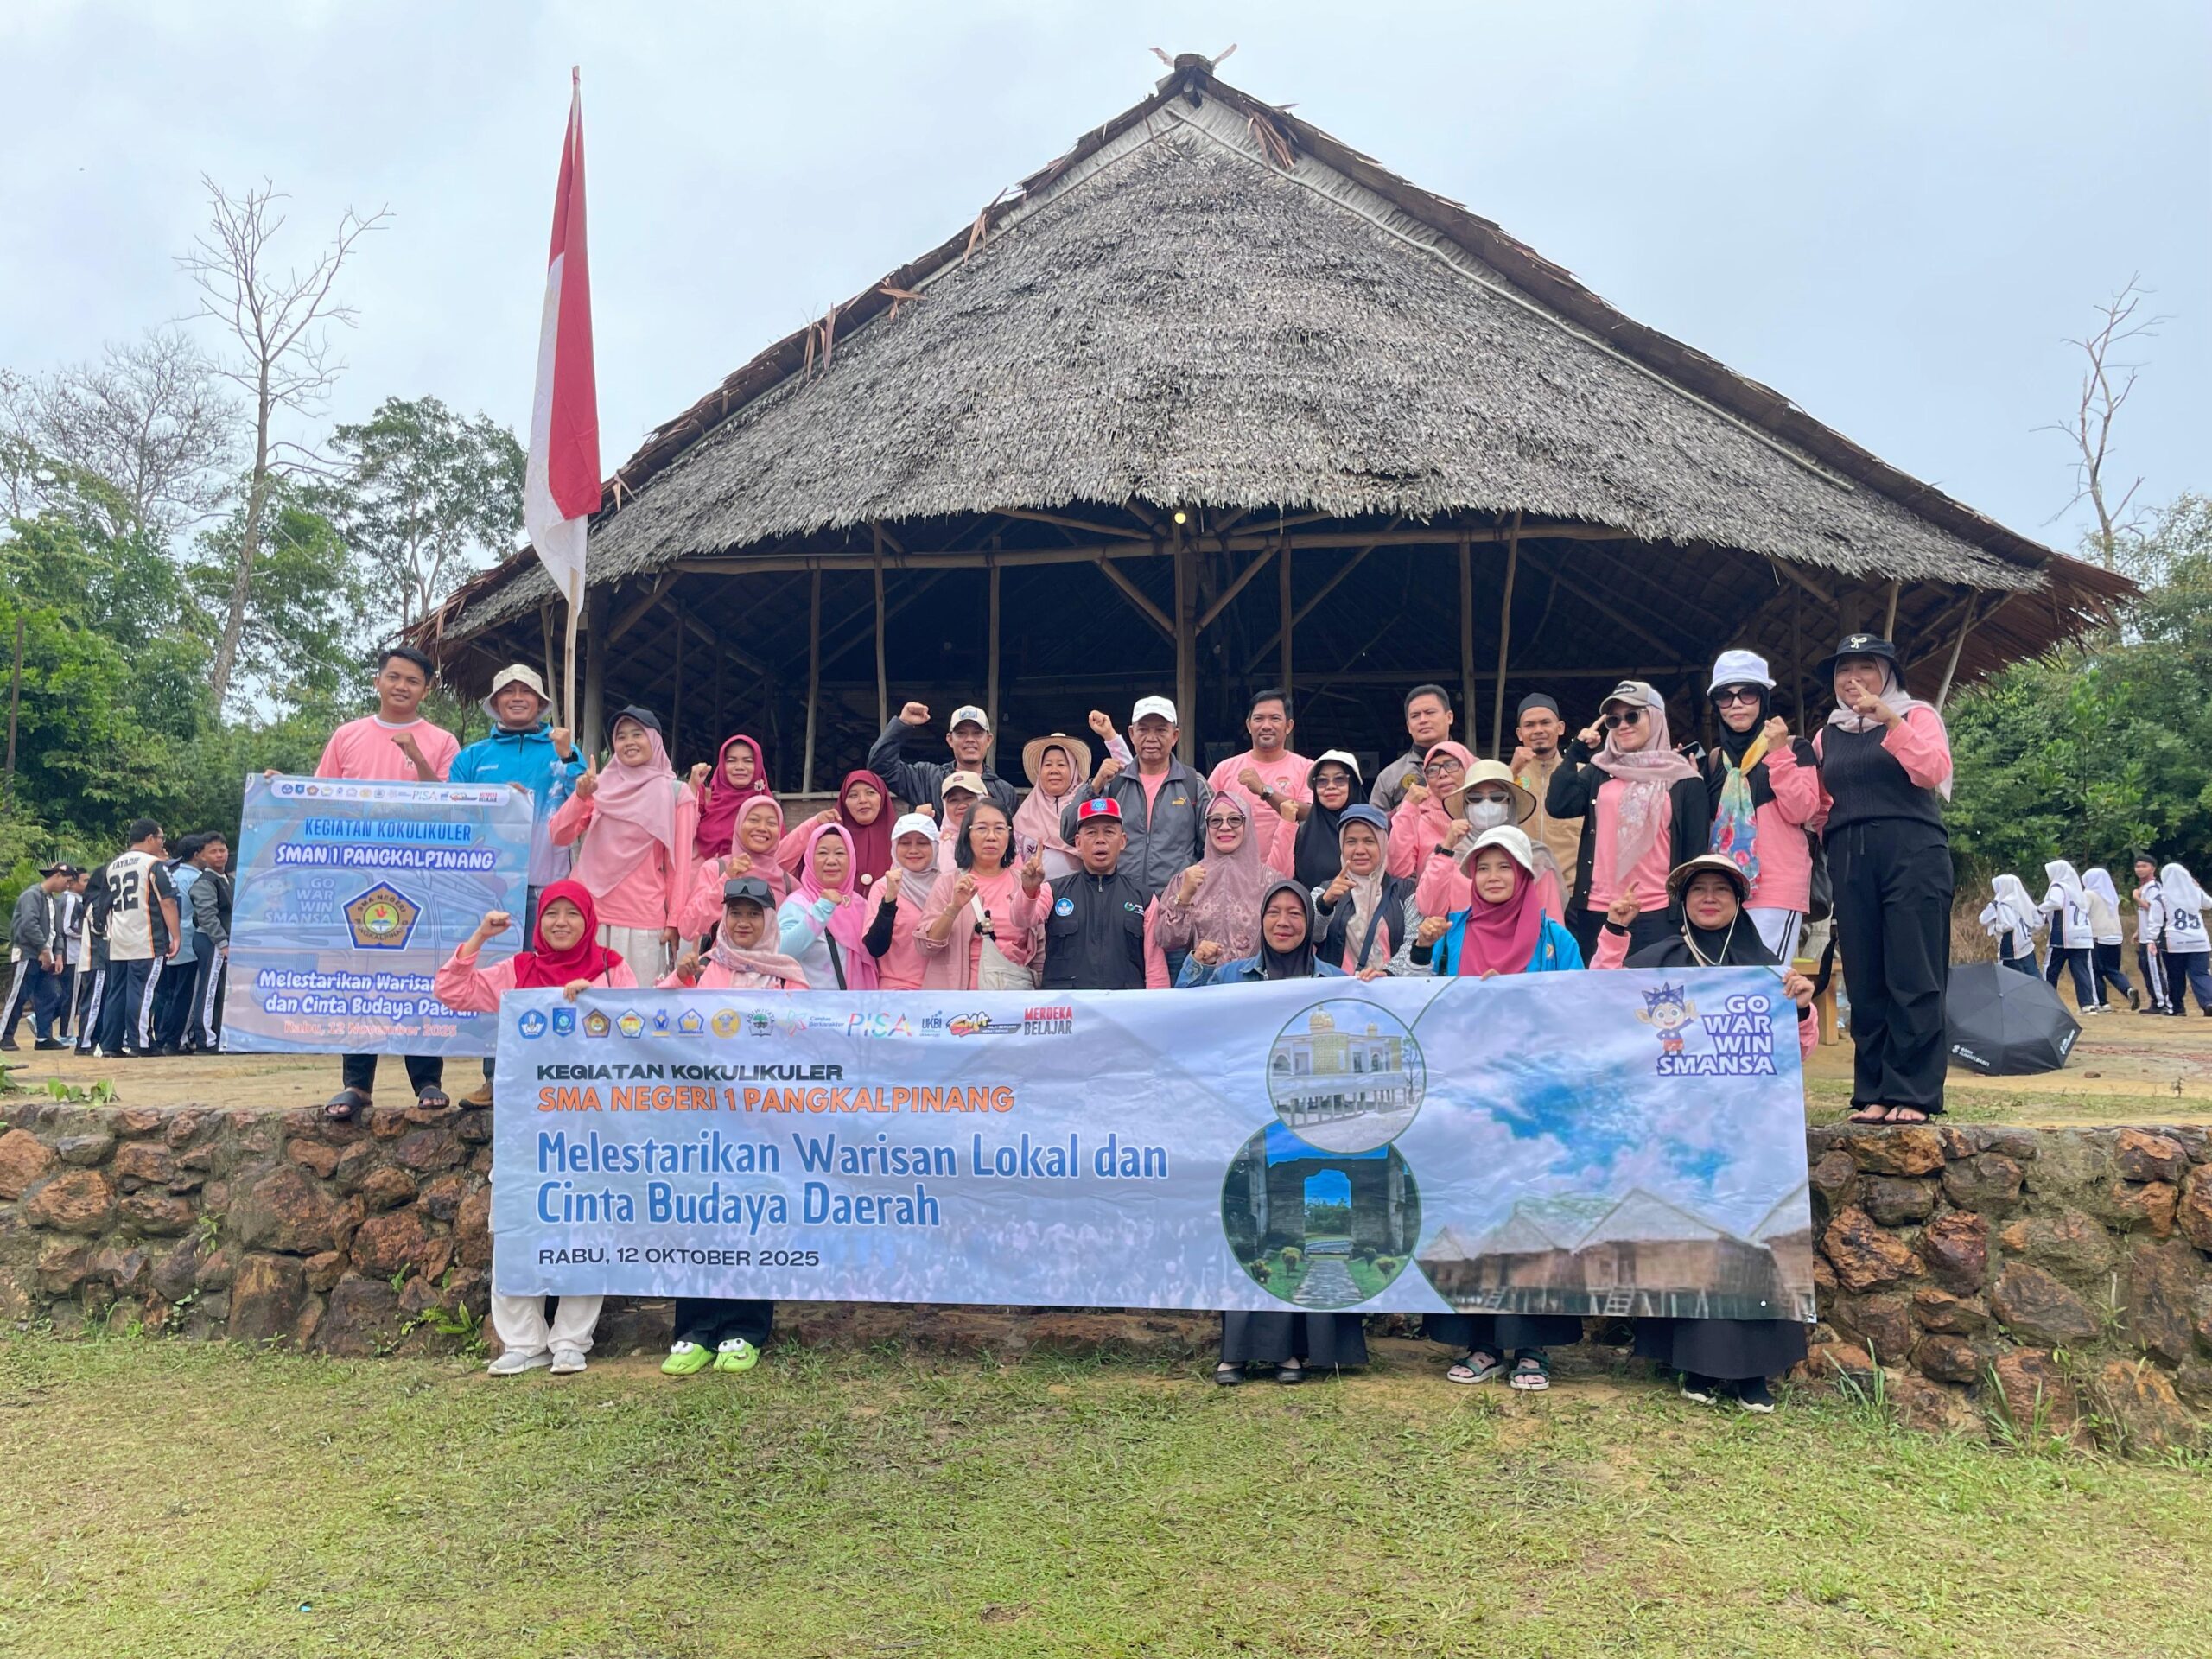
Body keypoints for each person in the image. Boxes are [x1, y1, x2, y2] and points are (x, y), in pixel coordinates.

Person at [1590, 855, 1816, 1410]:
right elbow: (1598, 1000)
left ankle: (1753, 1371)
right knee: (1692, 1243)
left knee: (1752, 1243)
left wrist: (1802, 1010)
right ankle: (1694, 1363)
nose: (1709, 898)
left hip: (1749, 1136)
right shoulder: (1659, 961)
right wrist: (1615, 930)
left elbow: (1798, 1051)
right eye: (1699, 890)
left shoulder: (1766, 970)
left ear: (1739, 903)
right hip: (1678, 1138)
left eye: (1721, 890)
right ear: (1683, 903)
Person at [434, 881, 636, 1376]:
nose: (561, 923)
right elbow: (451, 991)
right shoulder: (520, 970)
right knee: (517, 1219)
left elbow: (638, 1028)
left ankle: (571, 1339)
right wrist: (480, 937)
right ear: (539, 921)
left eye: (572, 913)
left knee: (588, 1222)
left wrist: (599, 1005)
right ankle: (523, 1340)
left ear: (589, 920)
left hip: (593, 1124)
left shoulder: (611, 969)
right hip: (527, 1124)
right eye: (551, 914)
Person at [1408, 826, 1585, 1389]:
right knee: (1475, 1215)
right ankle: (1480, 1342)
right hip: (1468, 1103)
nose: (1493, 877)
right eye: (1483, 867)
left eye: (1505, 866)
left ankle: (1531, 1345)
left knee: (1532, 1215)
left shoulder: (1556, 941)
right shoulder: (1450, 934)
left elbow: (1583, 1013)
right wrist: (1420, 951)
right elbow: (1418, 999)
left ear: (1526, 874)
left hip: (1535, 1105)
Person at [1185, 879, 1365, 1386]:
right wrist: (1195, 966)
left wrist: (1374, 988)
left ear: (1310, 924)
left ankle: (1296, 1352)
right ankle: (1237, 1352)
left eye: (1295, 913)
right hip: (1247, 1120)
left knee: (1301, 1227)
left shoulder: (1333, 980)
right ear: (1260, 920)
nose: (1283, 922)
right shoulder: (1231, 976)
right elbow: (1182, 1018)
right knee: (1250, 1228)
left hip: (1311, 1122)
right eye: (1274, 913)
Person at [1799, 635, 1954, 1125]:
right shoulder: (1827, 735)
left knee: (1913, 971)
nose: (1853, 679)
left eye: (1865, 667)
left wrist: (1890, 720)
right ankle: (1874, 1091)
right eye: (1843, 670)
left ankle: (1914, 1092)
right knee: (1865, 976)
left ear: (1887, 674)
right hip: (1850, 856)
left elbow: (1933, 772)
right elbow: (1821, 804)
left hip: (1913, 850)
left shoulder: (1916, 715)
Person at [658, 874, 804, 1382]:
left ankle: (744, 1328)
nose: (743, 922)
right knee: (700, 1218)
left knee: (755, 1220)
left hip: (762, 1126)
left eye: (753, 914)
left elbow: (804, 1046)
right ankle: (695, 1330)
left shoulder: (788, 979)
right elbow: (651, 1021)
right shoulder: (701, 969)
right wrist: (677, 981)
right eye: (735, 913)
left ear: (769, 921)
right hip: (702, 1122)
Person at [306, 645, 461, 1118]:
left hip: (420, 877)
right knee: (359, 976)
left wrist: (416, 757)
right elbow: (320, 797)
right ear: (378, 681)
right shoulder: (347, 735)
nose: (401, 686)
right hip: (357, 876)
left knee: (419, 975)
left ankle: (427, 1078)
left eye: (412, 680)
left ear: (425, 690)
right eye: (394, 677)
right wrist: (276, 789)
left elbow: (453, 808)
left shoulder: (442, 741)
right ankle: (357, 1083)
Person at [1546, 681, 1710, 957]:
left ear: (1655, 717)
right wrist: (1576, 751)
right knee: (1600, 985)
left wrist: (1689, 914)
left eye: (1632, 716)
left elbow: (1695, 856)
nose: (1623, 725)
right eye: (1614, 720)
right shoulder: (1598, 771)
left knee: (1657, 985)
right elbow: (1558, 804)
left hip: (1659, 912)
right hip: (1598, 909)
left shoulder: (1684, 780)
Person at [549, 706, 697, 987]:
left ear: (654, 739)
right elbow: (559, 835)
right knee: (582, 1003)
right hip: (587, 916)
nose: (629, 742)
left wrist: (675, 921)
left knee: (636, 1007)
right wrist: (580, 797)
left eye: (637, 734)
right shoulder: (599, 787)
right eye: (621, 736)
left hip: (641, 923)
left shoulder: (677, 794)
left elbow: (679, 867)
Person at [1702, 651, 1819, 963]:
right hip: (1724, 890)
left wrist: (1778, 754)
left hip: (1776, 890)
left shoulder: (1794, 747)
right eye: (1725, 696)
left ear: (1763, 699)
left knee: (1766, 979)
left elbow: (1803, 810)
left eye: (1747, 693)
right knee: (1727, 982)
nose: (1736, 704)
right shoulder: (1714, 761)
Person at [1064, 696, 1210, 903]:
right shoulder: (1113, 783)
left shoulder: (1193, 784)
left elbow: (1214, 846)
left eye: (1161, 730)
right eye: (1143, 730)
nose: (1151, 738)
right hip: (1118, 902)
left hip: (1177, 902)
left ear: (1175, 736)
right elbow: (1069, 833)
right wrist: (1094, 786)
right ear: (1132, 734)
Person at [1028, 798, 1164, 992]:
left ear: (1123, 841)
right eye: (1091, 832)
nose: (1100, 840)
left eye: (1109, 832)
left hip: (1125, 1005)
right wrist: (1029, 890)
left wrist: (1156, 1006)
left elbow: (1155, 967)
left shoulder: (1144, 897)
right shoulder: (1053, 891)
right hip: (1070, 1006)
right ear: (1078, 842)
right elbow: (1023, 920)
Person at [918, 800, 1043, 990]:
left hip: (1013, 998)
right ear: (967, 835)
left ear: (1010, 835)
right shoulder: (948, 883)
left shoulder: (1024, 882)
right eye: (982, 828)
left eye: (999, 829)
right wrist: (953, 909)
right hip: (958, 1001)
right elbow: (927, 946)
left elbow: (1040, 952)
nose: (991, 837)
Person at [1159, 793, 1280, 986]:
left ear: (1247, 824)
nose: (1224, 827)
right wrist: (1184, 897)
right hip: (1201, 988)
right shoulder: (1188, 878)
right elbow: (1167, 940)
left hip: (1255, 988)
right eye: (1215, 821)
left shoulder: (1270, 880)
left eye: (1235, 820)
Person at [1408, 757, 1536, 923]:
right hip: (1464, 938)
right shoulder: (1450, 856)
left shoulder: (1536, 856)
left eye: (1497, 797)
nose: (1486, 804)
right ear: (1466, 807)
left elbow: (1551, 923)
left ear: (1511, 803)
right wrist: (1446, 848)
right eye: (1475, 798)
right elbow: (1428, 908)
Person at [93, 820, 179, 1060]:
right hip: (147, 938)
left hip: (119, 939)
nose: (162, 844)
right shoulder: (153, 865)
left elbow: (104, 905)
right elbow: (167, 901)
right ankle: (140, 1043)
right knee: (142, 991)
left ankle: (110, 1044)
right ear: (150, 838)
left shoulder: (112, 866)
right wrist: (175, 935)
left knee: (117, 992)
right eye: (161, 839)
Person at [1312, 804, 1417, 976]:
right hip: (1337, 989)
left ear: (1383, 844)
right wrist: (1325, 903)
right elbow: (1311, 935)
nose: (1360, 850)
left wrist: (1388, 974)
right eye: (1351, 842)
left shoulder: (1404, 892)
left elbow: (1415, 940)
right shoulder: (1324, 891)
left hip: (1390, 988)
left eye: (1369, 841)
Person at [868, 701, 1019, 819]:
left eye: (977, 733)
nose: (970, 739)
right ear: (950, 739)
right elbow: (880, 766)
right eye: (961, 733)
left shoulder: (1005, 791)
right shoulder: (926, 778)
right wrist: (902, 724)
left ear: (989, 740)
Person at [776, 823, 880, 991]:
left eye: (840, 853)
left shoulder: (861, 905)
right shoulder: (798, 903)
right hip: (812, 1006)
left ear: (851, 859)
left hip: (860, 1005)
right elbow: (782, 953)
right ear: (809, 858)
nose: (831, 861)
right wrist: (821, 910)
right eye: (822, 853)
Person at [1261, 749, 1361, 893]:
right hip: (1310, 907)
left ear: (1353, 784)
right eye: (1322, 781)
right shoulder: (1303, 832)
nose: (1330, 786)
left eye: (1339, 779)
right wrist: (1286, 826)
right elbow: (1274, 878)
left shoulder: (1372, 828)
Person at [1510, 694, 1583, 892]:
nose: (1538, 730)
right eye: (1530, 725)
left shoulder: (1582, 775)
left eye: (1545, 723)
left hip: (1573, 891)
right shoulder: (1506, 776)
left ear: (1560, 728)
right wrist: (1511, 771)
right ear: (1520, 733)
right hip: (1521, 891)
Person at [861, 814, 944, 988]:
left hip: (943, 990)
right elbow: (875, 948)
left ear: (935, 846)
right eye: (905, 843)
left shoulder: (946, 886)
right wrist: (889, 901)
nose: (913, 850)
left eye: (922, 843)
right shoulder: (884, 887)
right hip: (898, 991)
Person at [1207, 688, 1311, 820]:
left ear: (1288, 726)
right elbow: (1205, 815)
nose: (1266, 726)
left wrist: (1264, 790)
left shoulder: (1306, 769)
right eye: (1258, 719)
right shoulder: (1224, 770)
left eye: (1275, 718)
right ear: (1249, 726)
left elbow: (1312, 814)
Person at [1, 863, 72, 1052]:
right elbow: (29, 924)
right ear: (57, 875)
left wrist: (58, 954)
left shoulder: (53, 901)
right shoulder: (32, 896)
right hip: (28, 953)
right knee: (18, 995)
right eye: (67, 881)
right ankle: (5, 1035)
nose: (67, 886)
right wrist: (43, 949)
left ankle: (44, 1037)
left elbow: (57, 931)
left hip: (46, 956)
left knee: (49, 995)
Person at [1012, 732, 1095, 883]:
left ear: (1074, 771)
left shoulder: (1086, 808)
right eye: (1048, 764)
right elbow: (1014, 864)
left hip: (1081, 893)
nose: (1054, 770)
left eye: (1062, 764)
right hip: (1033, 894)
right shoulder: (1024, 814)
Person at [1370, 684, 1457, 815]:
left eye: (1430, 712)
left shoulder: (1473, 767)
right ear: (1409, 726)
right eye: (1415, 716)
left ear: (1449, 717)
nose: (1423, 720)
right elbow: (1373, 824)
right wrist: (1402, 808)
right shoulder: (1389, 777)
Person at [691, 734, 773, 864]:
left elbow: (780, 854)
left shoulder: (768, 808)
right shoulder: (705, 799)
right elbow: (682, 831)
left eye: (748, 761)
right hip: (700, 875)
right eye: (731, 760)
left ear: (758, 765)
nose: (739, 767)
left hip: (750, 875)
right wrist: (692, 786)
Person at [2038, 860, 2102, 1015]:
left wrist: (2039, 908)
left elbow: (2056, 903)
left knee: (2050, 969)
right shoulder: (2077, 890)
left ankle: (2047, 1002)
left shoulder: (2058, 886)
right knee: (2081, 971)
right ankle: (2088, 1004)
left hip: (2063, 936)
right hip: (2083, 936)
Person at [186, 842, 232, 1053]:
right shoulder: (205, 881)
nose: (219, 855)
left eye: (222, 850)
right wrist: (222, 943)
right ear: (202, 856)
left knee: (220, 989)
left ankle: (216, 1034)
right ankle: (206, 1039)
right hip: (211, 940)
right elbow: (206, 915)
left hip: (222, 941)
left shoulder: (226, 879)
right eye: (213, 851)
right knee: (209, 990)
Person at [2082, 868, 2139, 1010]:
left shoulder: (2089, 894)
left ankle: (2102, 1003)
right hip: (2115, 937)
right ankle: (2128, 989)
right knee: (2112, 970)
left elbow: (2082, 913)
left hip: (2098, 936)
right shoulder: (2111, 895)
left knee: (2094, 971)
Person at [2159, 861, 2212, 1015]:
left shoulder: (2162, 895)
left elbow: (2157, 917)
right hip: (2199, 941)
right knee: (2201, 974)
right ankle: (2209, 1002)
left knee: (2175, 976)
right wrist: (2197, 886)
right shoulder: (2196, 892)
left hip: (2175, 941)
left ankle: (2177, 1008)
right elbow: (2209, 904)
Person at [2132, 855, 2172, 1014]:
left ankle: (2162, 1002)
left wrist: (2136, 898)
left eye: (2144, 866)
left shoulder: (2153, 888)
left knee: (2153, 968)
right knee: (2146, 967)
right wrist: (2138, 931)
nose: (2140, 869)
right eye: (2138, 866)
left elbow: (2153, 908)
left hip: (2153, 937)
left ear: (2153, 868)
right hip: (2145, 934)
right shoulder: (2144, 887)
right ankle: (2156, 1000)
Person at [1980, 874, 2042, 976]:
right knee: (2033, 976)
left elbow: (2006, 924)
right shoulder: (2023, 902)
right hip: (2027, 946)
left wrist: (1995, 927)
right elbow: (2038, 922)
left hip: (2011, 949)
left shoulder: (2002, 904)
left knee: (2009, 978)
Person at [53, 868, 86, 1045]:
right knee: (71, 995)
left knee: (71, 994)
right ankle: (66, 1033)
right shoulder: (71, 900)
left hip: (69, 953)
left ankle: (45, 1017)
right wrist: (86, 935)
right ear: (72, 883)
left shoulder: (70, 899)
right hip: (70, 954)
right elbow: (67, 928)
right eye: (84, 881)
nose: (87, 885)